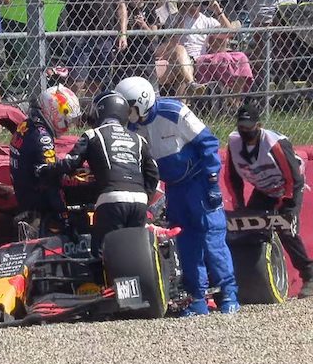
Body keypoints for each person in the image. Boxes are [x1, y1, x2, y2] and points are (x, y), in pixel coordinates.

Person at [115, 76, 239, 316]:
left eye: (127, 107)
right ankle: (198, 297)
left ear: (140, 102)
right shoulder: (133, 127)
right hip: (174, 188)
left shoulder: (174, 111)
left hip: (199, 183)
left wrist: (212, 181)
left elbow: (208, 143)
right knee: (185, 242)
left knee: (212, 237)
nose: (125, 112)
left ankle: (229, 293)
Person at [37, 91, 159, 252]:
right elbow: (153, 174)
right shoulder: (139, 139)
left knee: (102, 251)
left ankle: (103, 277)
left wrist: (46, 170)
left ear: (101, 112)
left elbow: (70, 163)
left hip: (111, 198)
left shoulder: (92, 134)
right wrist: (145, 196)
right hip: (140, 200)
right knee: (135, 252)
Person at [225, 103, 313, 298]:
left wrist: (288, 206)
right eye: (242, 127)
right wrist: (239, 204)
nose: (246, 131)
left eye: (250, 126)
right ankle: (249, 275)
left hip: (288, 186)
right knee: (247, 225)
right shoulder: (234, 143)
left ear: (259, 125)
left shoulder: (274, 143)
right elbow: (232, 177)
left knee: (286, 226)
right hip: (264, 189)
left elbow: (294, 178)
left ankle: (309, 274)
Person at [10, 85, 81, 235]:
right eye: (67, 121)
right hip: (38, 206)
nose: (68, 126)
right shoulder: (43, 138)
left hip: (24, 194)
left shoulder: (26, 125)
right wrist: (64, 217)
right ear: (55, 112)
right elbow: (49, 178)